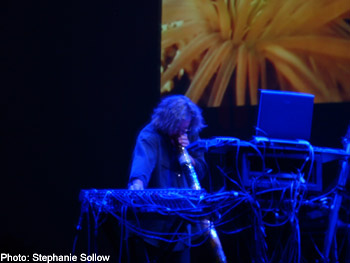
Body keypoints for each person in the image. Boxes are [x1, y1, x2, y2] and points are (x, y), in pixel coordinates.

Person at [127, 95, 207, 263]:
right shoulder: (150, 136)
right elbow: (142, 167)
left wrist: (188, 155)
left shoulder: (190, 134)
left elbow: (202, 169)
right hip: (153, 229)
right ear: (168, 123)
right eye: (179, 129)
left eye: (185, 130)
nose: (182, 133)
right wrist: (137, 184)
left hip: (182, 229)